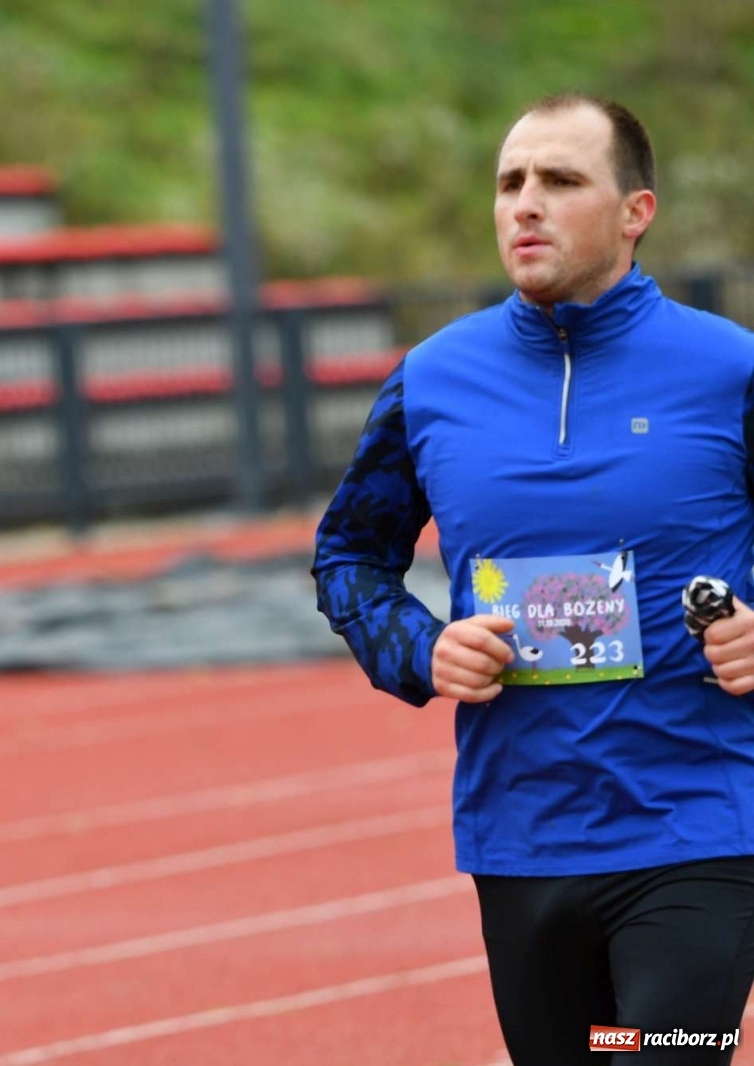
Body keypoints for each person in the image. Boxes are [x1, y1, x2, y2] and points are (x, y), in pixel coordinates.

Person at [313, 93, 754, 1065]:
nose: (526, 203)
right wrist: (420, 648)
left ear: (635, 212)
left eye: (560, 180)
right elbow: (349, 554)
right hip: (523, 833)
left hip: (699, 824)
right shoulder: (433, 378)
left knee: (660, 1053)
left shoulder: (729, 370)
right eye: (510, 181)